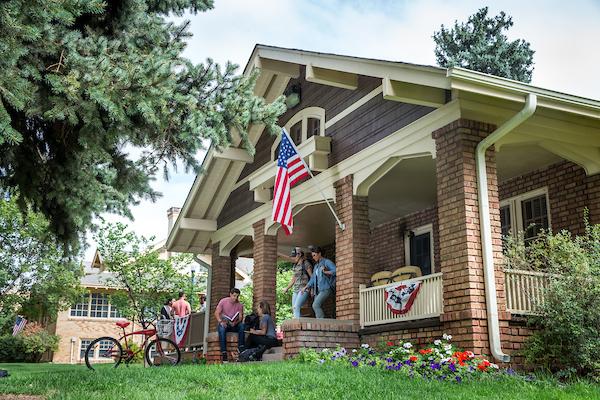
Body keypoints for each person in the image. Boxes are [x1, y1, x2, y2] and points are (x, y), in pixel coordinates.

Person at [301, 246, 336, 318]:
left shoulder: (326, 262)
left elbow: (335, 270)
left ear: (319, 254)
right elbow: (313, 278)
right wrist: (306, 287)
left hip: (326, 288)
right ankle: (319, 323)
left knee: (315, 305)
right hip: (319, 290)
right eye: (312, 256)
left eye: (314, 255)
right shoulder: (316, 266)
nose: (313, 257)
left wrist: (326, 272)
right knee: (315, 306)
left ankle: (321, 322)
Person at [215, 288, 245, 362]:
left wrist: (236, 322)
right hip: (225, 324)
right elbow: (216, 313)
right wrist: (221, 321)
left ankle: (240, 349)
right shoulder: (223, 301)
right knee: (221, 328)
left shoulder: (239, 305)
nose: (235, 298)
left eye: (237, 296)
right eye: (234, 296)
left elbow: (241, 317)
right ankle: (224, 352)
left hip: (234, 324)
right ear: (230, 294)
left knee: (242, 326)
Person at [284, 247, 313, 318]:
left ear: (299, 254)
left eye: (294, 256)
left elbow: (312, 277)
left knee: (297, 306)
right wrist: (287, 288)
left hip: (304, 289)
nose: (293, 258)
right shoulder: (295, 266)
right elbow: (293, 279)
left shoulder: (306, 264)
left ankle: (298, 326)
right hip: (296, 290)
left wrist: (312, 289)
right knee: (294, 308)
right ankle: (297, 324)